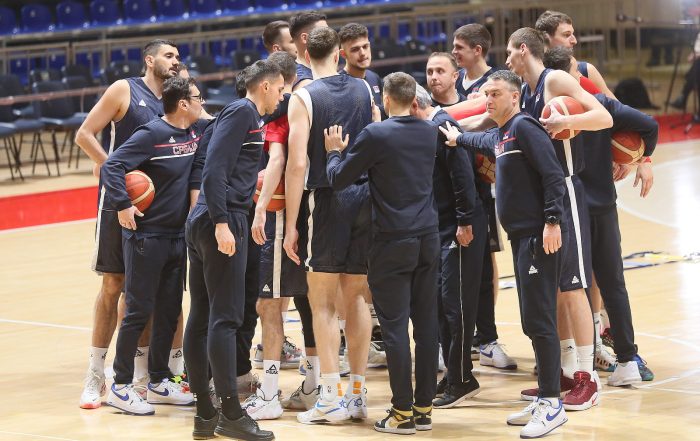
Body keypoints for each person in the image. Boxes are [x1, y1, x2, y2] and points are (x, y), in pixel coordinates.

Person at [441, 70, 569, 438]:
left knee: (540, 320)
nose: (489, 99)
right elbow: (482, 139)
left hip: (538, 237)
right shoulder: (502, 133)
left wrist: (552, 221)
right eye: (486, 94)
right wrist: (458, 138)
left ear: (515, 97)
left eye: (495, 93)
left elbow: (553, 175)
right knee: (531, 321)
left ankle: (552, 404)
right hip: (521, 238)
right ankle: (546, 396)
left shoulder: (525, 127)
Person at [325, 72, 440, 435]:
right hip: (428, 238)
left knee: (394, 329)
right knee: (427, 327)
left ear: (386, 99)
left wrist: (333, 152)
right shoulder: (429, 130)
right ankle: (423, 409)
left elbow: (339, 179)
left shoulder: (375, 134)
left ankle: (401, 412)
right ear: (414, 99)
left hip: (393, 242)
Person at [507, 27, 613, 410]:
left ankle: (588, 377)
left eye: (509, 52)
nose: (506, 59)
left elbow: (603, 116)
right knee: (554, 289)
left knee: (573, 286)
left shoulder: (555, 80)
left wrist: (568, 124)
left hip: (565, 189)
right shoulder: (526, 91)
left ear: (523, 49)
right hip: (543, 198)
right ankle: (565, 372)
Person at [75, 39, 181, 409]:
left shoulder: (176, 98)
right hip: (120, 202)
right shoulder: (125, 89)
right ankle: (95, 375)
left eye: (178, 57)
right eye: (169, 55)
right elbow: (84, 134)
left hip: (158, 205)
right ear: (149, 60)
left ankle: (141, 376)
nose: (175, 61)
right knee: (113, 284)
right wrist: (112, 170)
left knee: (146, 291)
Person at [544, 46, 658, 385]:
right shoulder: (600, 104)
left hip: (569, 208)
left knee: (568, 289)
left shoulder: (545, 110)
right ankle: (626, 360)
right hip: (601, 205)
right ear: (571, 75)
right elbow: (649, 125)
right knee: (612, 284)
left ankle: (570, 365)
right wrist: (637, 158)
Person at [183, 60, 284, 441]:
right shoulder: (242, 111)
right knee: (224, 318)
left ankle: (205, 414)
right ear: (265, 86)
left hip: (210, 218)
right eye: (280, 89)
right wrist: (223, 222)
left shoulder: (241, 115)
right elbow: (214, 170)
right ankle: (230, 413)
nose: (282, 96)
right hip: (220, 220)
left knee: (203, 316)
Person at [284, 26, 376, 424]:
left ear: (306, 55)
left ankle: (329, 397)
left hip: (326, 199)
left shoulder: (303, 96)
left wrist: (291, 224)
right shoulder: (365, 89)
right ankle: (357, 394)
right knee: (356, 298)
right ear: (339, 54)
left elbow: (297, 164)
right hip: (365, 197)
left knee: (321, 302)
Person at [100, 76, 203, 415]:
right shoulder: (151, 133)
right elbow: (113, 165)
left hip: (176, 237)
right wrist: (123, 205)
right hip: (146, 237)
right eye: (198, 98)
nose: (202, 103)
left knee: (169, 310)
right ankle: (120, 385)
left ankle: (159, 380)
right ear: (183, 104)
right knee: (137, 311)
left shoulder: (193, 133)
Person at [243, 51, 318, 420]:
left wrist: (261, 207)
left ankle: (270, 394)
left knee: (269, 305)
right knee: (311, 303)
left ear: (279, 84)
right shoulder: (317, 103)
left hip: (282, 214)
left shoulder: (281, 111)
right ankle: (315, 385)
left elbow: (278, 160)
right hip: (315, 212)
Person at [409, 84, 486, 408]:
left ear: (414, 105)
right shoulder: (431, 128)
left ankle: (463, 378)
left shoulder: (443, 126)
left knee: (457, 306)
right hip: (442, 227)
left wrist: (465, 221)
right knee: (442, 304)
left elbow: (462, 176)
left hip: (460, 227)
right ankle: (455, 372)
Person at [451, 23, 517, 370]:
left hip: (484, 183)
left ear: (477, 50)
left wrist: (456, 130)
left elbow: (492, 122)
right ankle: (459, 338)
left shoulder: (496, 82)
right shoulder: (452, 82)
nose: (454, 52)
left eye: (459, 47)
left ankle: (485, 336)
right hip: (452, 185)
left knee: (485, 260)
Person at [337, 21, 388, 366]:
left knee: (372, 264)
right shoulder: (340, 85)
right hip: (347, 183)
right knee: (348, 271)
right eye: (355, 49)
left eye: (365, 46)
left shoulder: (374, 81)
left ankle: (372, 334)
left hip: (374, 183)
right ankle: (348, 341)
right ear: (342, 53)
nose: (362, 53)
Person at [535, 10, 616, 99]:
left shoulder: (586, 70)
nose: (574, 41)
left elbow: (615, 106)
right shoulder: (531, 75)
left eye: (572, 34)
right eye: (566, 35)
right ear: (545, 38)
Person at [289, 11, 327, 91]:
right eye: (324, 33)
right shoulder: (303, 82)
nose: (330, 36)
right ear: (305, 38)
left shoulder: (324, 68)